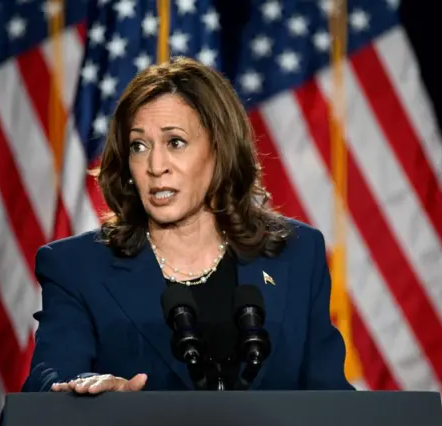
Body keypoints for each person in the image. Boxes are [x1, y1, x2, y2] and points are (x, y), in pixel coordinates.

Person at [20, 57, 354, 395]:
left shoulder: (296, 255)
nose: (155, 165)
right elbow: (46, 384)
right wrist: (91, 397)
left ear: (219, 149)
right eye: (139, 146)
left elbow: (330, 400)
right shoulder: (76, 268)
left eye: (175, 142)